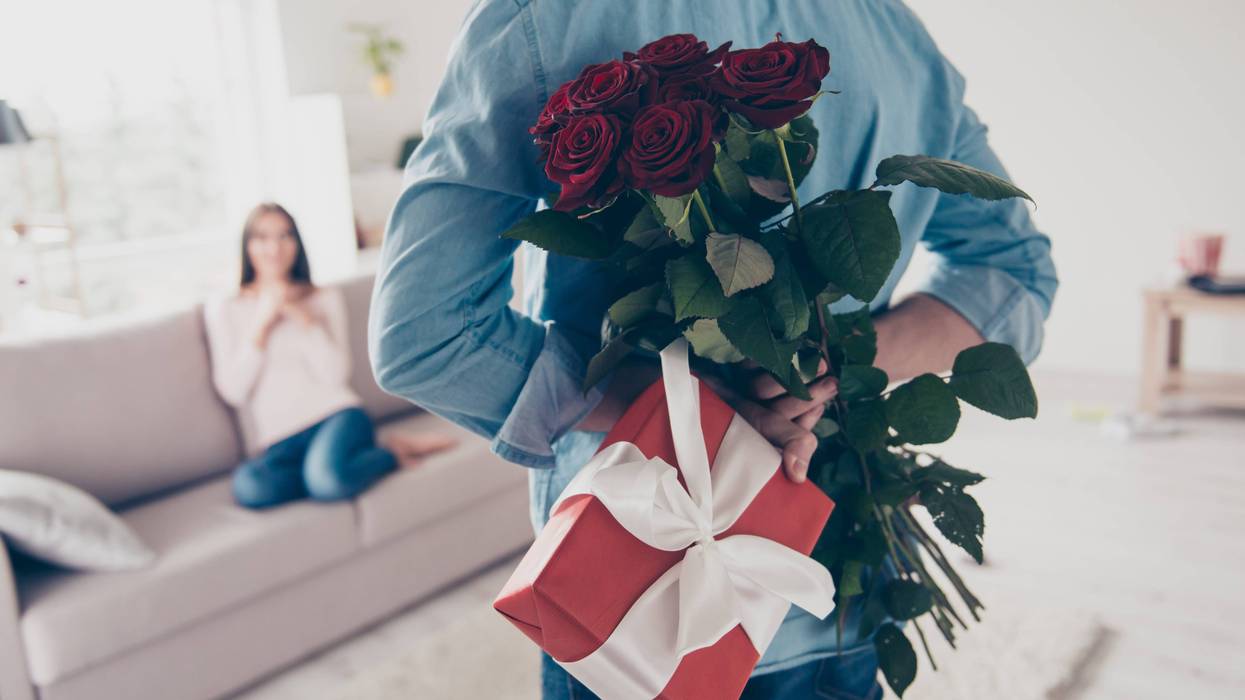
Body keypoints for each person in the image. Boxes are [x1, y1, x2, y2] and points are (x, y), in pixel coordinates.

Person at [369, 1, 1059, 698]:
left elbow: (425, 335)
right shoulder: (888, 25)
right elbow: (1014, 271)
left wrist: (706, 410)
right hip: (835, 583)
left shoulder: (547, 17)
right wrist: (825, 371)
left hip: (635, 604)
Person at [205, 203, 454, 509]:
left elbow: (335, 375)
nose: (274, 248)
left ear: (297, 243)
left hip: (336, 417)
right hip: (279, 442)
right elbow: (233, 390)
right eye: (262, 237)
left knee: (327, 481)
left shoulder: (322, 297)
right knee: (250, 488)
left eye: (284, 236)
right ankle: (355, 461)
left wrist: (303, 319)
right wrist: (263, 323)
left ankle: (387, 454)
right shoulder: (225, 307)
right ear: (247, 245)